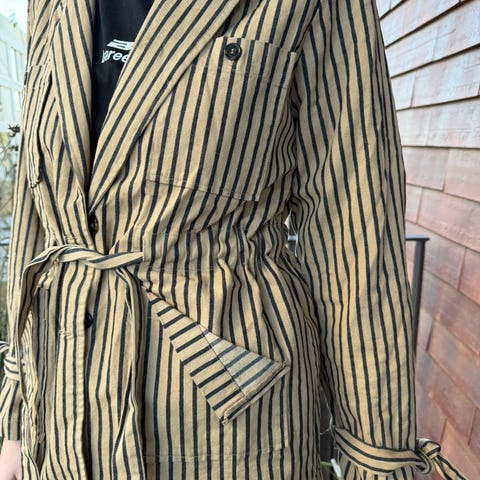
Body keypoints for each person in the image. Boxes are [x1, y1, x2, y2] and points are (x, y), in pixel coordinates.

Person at [0, 0, 467, 479]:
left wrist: (377, 459)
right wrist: (16, 413)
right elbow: (40, 212)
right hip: (61, 411)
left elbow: (355, 229)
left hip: (227, 424)